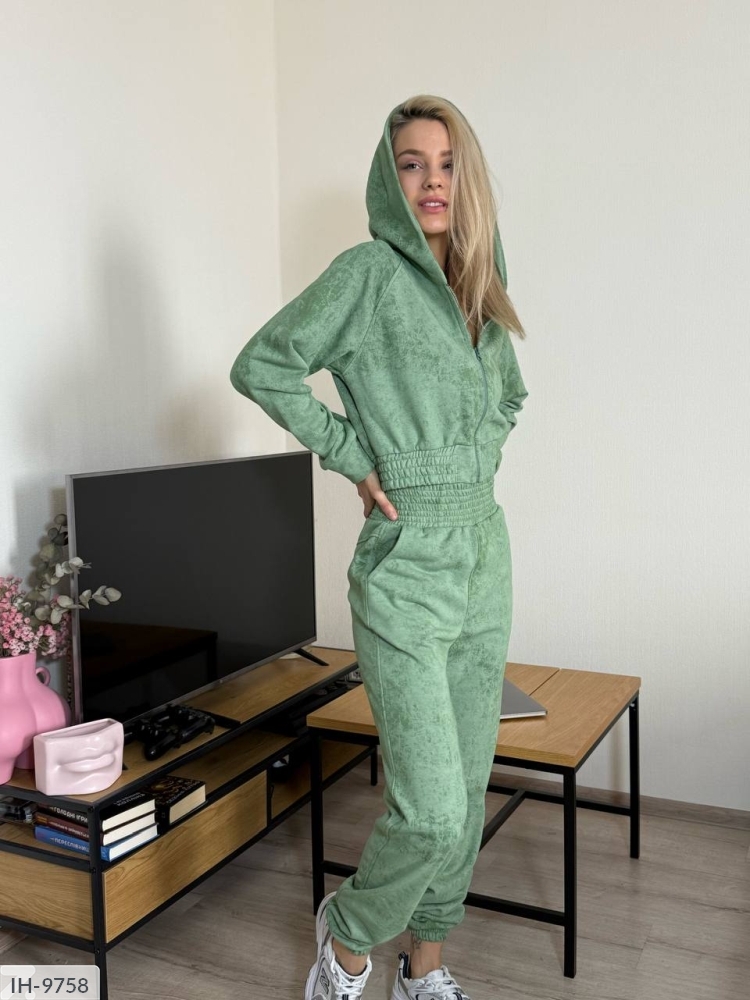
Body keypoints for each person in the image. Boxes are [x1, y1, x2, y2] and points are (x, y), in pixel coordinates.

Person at [230, 94, 529, 1000]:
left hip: (484, 553)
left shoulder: (480, 288)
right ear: (388, 179)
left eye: (446, 163)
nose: (431, 180)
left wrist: (471, 463)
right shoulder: (367, 275)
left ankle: (424, 966)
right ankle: (350, 939)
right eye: (411, 163)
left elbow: (511, 396)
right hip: (406, 564)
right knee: (428, 806)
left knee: (465, 794)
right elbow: (263, 364)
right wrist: (357, 458)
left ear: (466, 180)